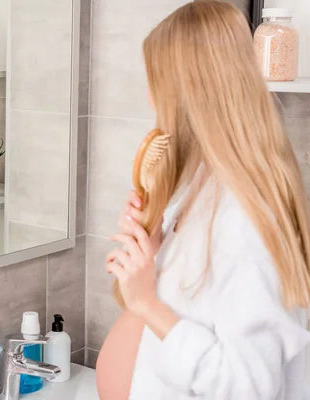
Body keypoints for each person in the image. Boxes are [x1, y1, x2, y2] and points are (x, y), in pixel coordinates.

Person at [96, 2, 310, 399]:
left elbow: (248, 388)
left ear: (189, 90)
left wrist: (145, 303)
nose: (148, 97)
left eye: (154, 81)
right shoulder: (203, 188)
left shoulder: (248, 219)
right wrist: (156, 253)